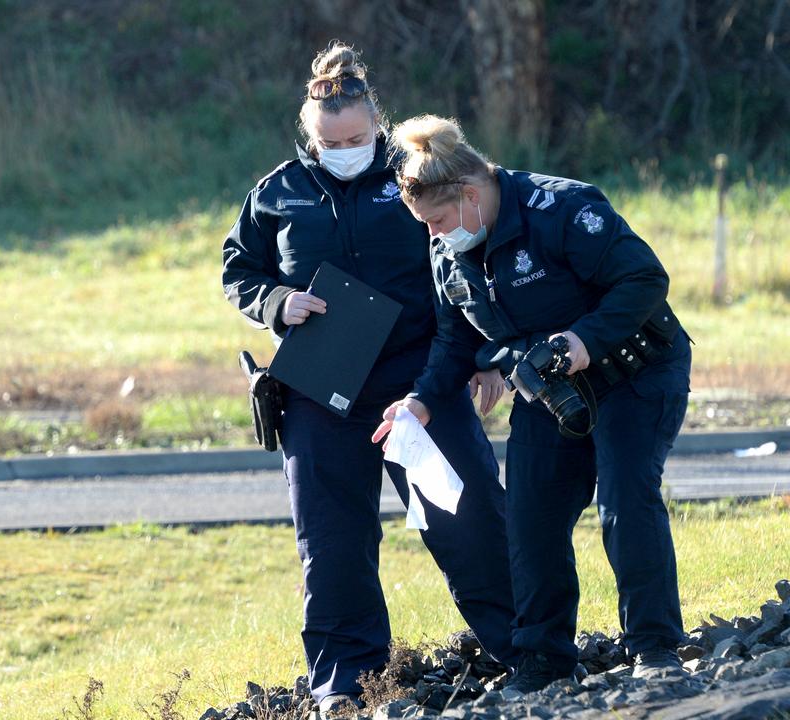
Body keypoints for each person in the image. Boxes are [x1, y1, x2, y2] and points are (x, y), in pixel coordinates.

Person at [220, 43, 522, 715]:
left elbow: (470, 253)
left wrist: (484, 355)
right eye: (331, 141)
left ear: (378, 124)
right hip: (318, 392)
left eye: (357, 137)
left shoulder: (416, 176)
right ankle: (346, 685)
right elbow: (238, 268)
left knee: (468, 516)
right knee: (331, 544)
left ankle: (526, 649)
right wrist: (276, 303)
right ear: (309, 136)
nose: (345, 148)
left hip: (418, 381)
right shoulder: (278, 193)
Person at [373, 114, 693, 695]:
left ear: (470, 195)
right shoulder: (449, 253)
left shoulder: (562, 208)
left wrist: (582, 343)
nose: (434, 235)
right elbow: (455, 342)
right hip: (552, 391)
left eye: (439, 220)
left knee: (624, 498)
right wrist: (419, 403)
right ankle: (543, 661)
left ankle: (654, 649)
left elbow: (645, 280)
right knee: (531, 519)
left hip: (636, 372)